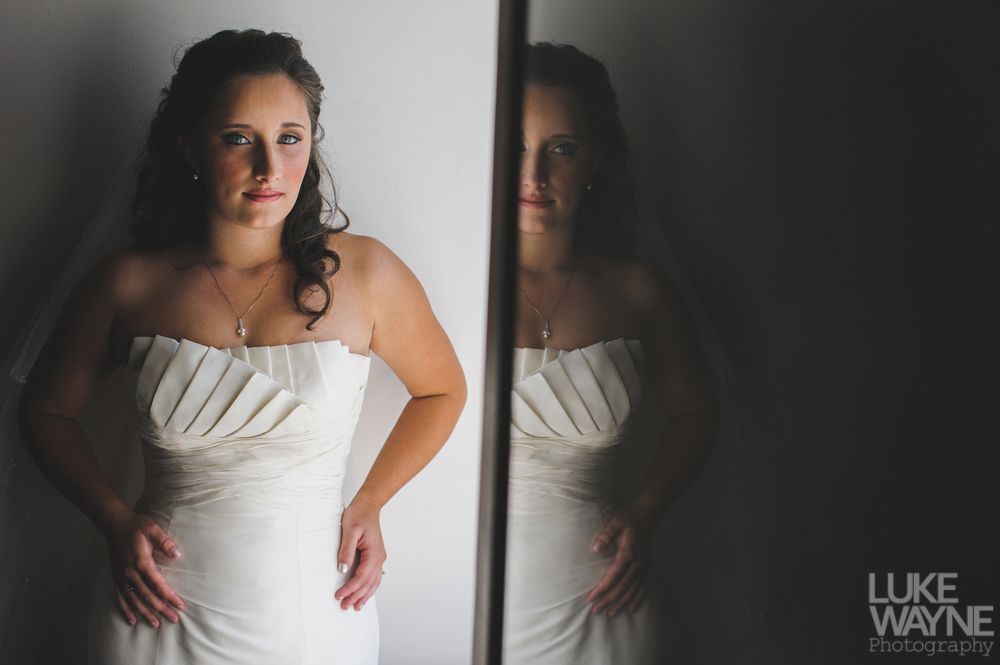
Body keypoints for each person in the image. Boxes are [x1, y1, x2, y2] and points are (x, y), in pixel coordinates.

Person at [14, 29, 466, 664]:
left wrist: (371, 501)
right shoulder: (130, 284)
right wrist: (114, 519)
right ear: (190, 146)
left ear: (311, 143)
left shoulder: (367, 275)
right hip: (155, 610)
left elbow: (444, 389)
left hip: (316, 615)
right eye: (237, 138)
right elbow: (45, 412)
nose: (269, 169)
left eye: (289, 138)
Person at [502, 42, 718, 664]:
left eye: (561, 149)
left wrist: (646, 512)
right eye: (515, 147)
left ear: (595, 159)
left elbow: (695, 412)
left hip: (601, 600)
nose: (534, 176)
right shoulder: (447, 285)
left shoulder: (637, 291)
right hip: (462, 590)